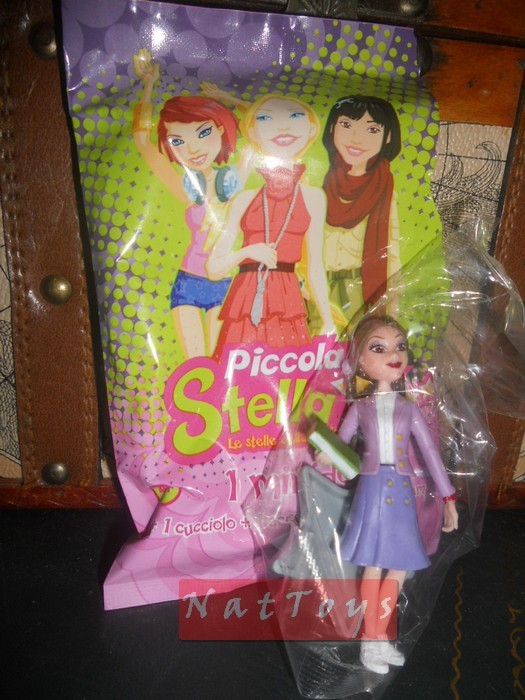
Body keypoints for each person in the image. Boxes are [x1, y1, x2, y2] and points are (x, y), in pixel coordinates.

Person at [324, 315, 458, 674]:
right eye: (379, 348)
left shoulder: (408, 408)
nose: (394, 355)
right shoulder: (360, 407)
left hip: (401, 492)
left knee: (400, 566)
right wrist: (327, 452)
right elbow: (341, 442)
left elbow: (430, 453)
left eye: (400, 346)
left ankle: (379, 636)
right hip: (372, 490)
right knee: (373, 565)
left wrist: (448, 498)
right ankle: (371, 641)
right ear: (360, 361)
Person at [132, 49, 241, 358]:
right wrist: (148, 84)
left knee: (219, 366)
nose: (192, 149)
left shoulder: (238, 178)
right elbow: (143, 141)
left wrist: (226, 98)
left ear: (221, 129)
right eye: (178, 141)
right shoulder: (188, 188)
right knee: (194, 367)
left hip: (225, 283)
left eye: (203, 133)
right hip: (188, 282)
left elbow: (261, 126)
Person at [206, 94, 335, 353]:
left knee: (288, 369)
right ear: (253, 131)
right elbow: (213, 268)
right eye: (265, 118)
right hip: (245, 301)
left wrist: (328, 319)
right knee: (237, 370)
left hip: (288, 302)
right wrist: (246, 252)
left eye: (295, 116)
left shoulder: (313, 198)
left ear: (311, 128)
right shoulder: (244, 200)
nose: (283, 127)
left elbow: (315, 267)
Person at [320, 96, 402, 326]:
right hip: (317, 289)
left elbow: (391, 250)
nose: (356, 138)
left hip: (361, 291)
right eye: (346, 125)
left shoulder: (384, 189)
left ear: (387, 136)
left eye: (372, 130)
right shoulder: (320, 184)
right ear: (332, 128)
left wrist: (392, 303)